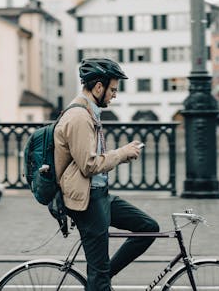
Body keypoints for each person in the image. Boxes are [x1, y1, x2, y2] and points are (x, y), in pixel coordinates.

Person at [54, 58, 159, 291]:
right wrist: (121, 153)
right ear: (98, 87)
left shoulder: (90, 112)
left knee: (148, 227)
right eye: (112, 89)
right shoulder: (79, 116)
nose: (114, 95)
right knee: (99, 276)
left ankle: (99, 278)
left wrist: (121, 154)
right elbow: (88, 165)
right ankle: (99, 280)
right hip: (87, 201)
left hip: (98, 194)